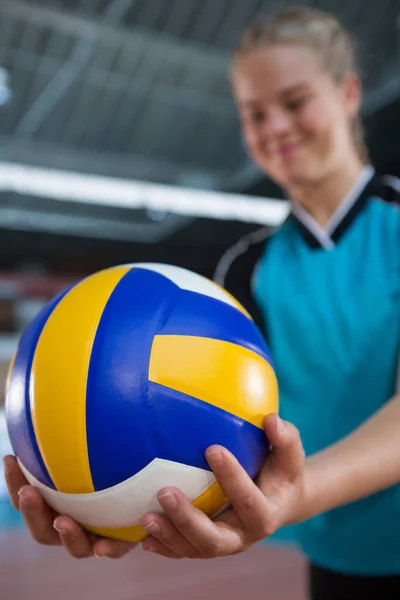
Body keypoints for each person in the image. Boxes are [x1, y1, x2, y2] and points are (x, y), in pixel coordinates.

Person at [3, 7, 400, 599]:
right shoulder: (245, 268)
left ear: (347, 94)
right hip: (330, 549)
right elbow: (212, 417)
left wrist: (290, 496)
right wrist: (117, 498)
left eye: (295, 102)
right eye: (254, 114)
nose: (275, 127)